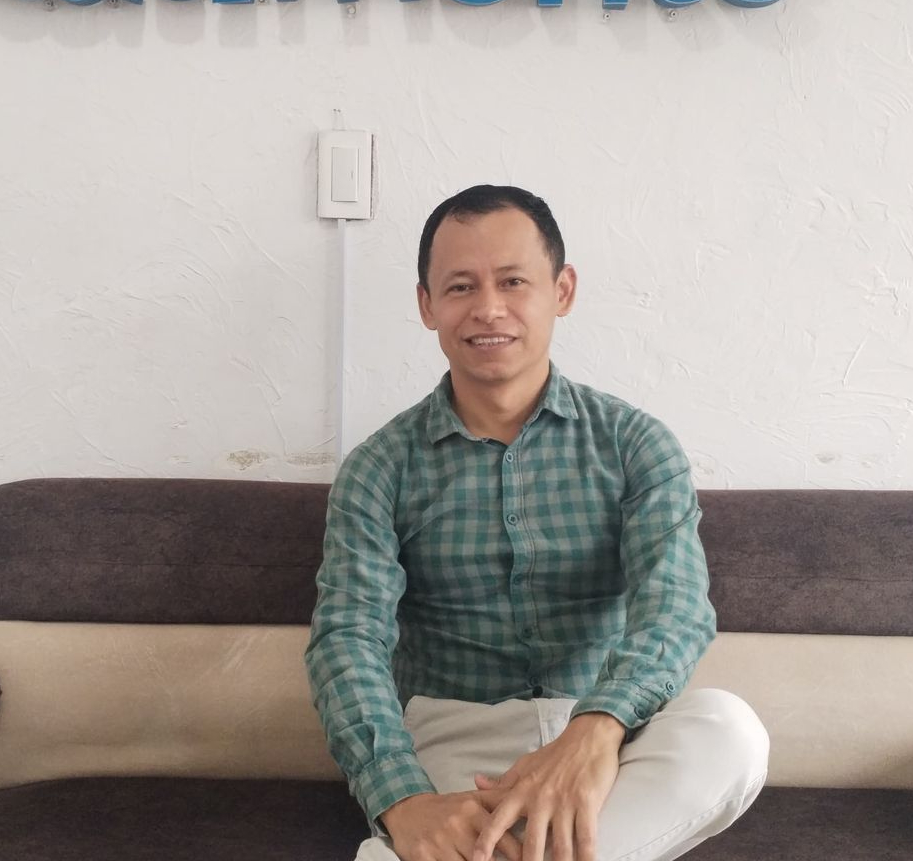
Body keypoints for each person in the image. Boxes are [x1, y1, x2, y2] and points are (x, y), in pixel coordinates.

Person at [306, 185, 768, 861]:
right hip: (453, 739)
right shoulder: (380, 467)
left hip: (607, 735)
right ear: (427, 304)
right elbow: (347, 638)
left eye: (513, 281)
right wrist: (401, 801)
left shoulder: (635, 444)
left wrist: (596, 728)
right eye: (461, 286)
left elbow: (675, 608)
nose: (488, 307)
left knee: (730, 730)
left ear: (562, 290)